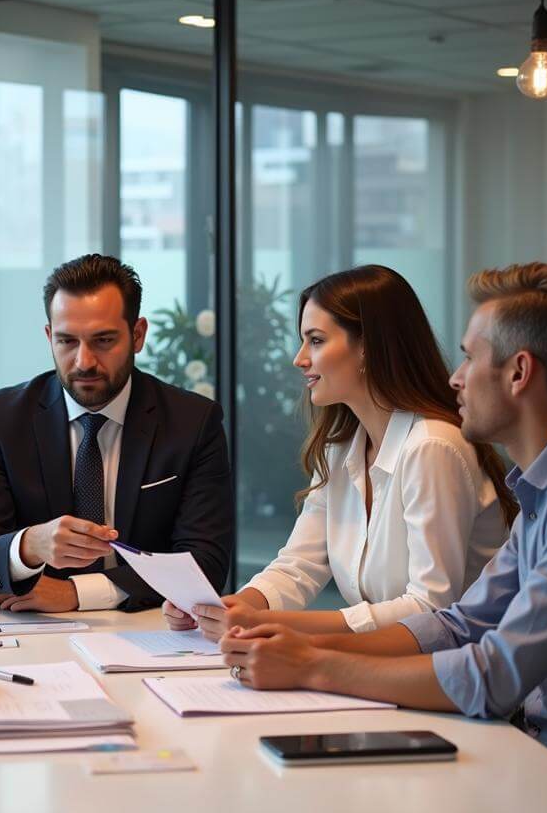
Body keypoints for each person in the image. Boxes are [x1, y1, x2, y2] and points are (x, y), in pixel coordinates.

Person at [221, 262, 547, 813]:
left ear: (518, 373)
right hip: (536, 758)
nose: (456, 377)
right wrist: (290, 641)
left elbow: (495, 672)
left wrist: (315, 666)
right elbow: (461, 623)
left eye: (469, 358)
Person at [167, 265, 515, 641]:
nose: (299, 358)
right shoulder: (342, 448)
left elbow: (430, 609)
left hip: (455, 679)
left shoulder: (432, 446)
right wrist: (233, 608)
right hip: (390, 667)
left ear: (368, 346)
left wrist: (276, 624)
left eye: (315, 341)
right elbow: (298, 565)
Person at [0, 252, 234, 613]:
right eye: (67, 341)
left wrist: (80, 593)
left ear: (137, 335)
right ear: (49, 336)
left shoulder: (192, 421)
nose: (84, 361)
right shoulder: (3, 418)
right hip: (34, 632)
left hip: (149, 632)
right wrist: (30, 545)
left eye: (103, 341)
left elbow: (205, 562)